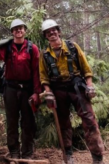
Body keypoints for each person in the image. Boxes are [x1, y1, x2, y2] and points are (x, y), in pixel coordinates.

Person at [39, 19, 105, 164]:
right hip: (58, 90)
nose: (52, 33)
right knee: (63, 123)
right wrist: (48, 92)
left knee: (89, 120)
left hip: (76, 87)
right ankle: (68, 154)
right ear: (46, 36)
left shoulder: (72, 47)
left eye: (54, 30)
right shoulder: (44, 55)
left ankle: (97, 156)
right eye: (48, 32)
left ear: (59, 31)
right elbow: (43, 77)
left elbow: (86, 69)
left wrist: (89, 86)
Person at [0, 19, 41, 160]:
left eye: (20, 28)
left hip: (27, 88)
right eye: (15, 29)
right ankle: (14, 151)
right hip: (10, 89)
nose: (18, 31)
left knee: (28, 121)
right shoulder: (7, 47)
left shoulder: (32, 48)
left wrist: (37, 92)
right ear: (12, 32)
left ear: (25, 30)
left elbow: (36, 71)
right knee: (12, 121)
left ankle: (27, 152)